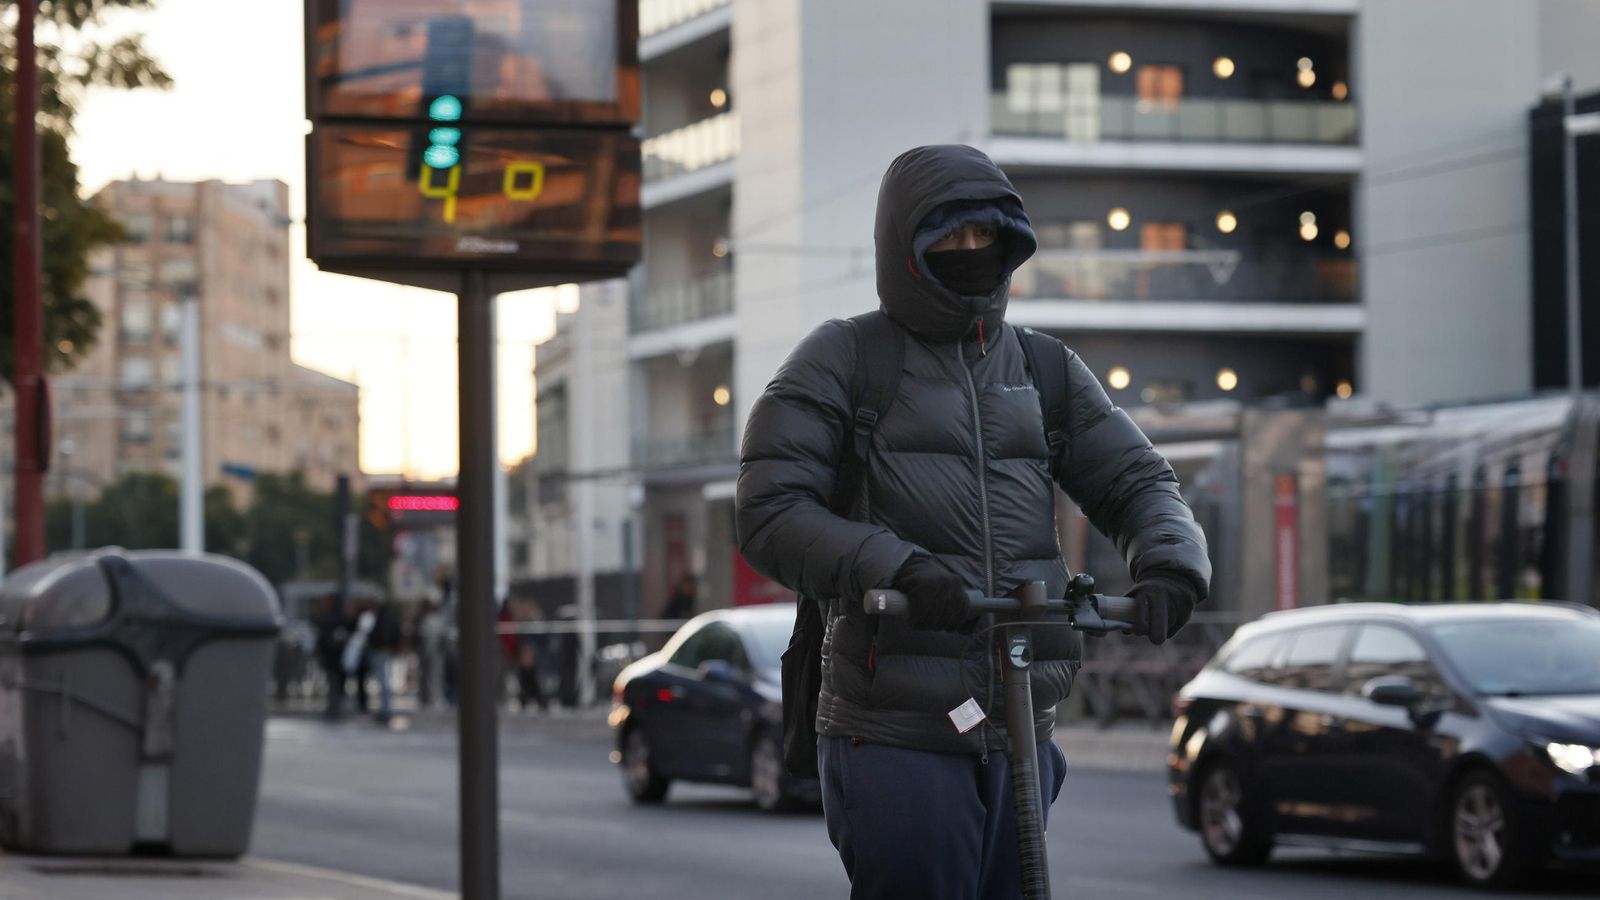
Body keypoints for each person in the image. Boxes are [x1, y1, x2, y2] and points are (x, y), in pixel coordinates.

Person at [735, 144, 1211, 900]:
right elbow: (769, 512)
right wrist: (896, 567)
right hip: (894, 733)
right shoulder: (846, 358)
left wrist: (1170, 562)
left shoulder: (1043, 369)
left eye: (983, 237)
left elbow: (1137, 478)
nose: (968, 254)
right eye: (946, 239)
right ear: (905, 248)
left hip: (1024, 721)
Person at [366, 598, 403, 724]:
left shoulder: (380, 618)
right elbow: (397, 633)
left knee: (383, 681)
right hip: (388, 651)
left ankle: (386, 709)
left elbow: (376, 635)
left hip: (380, 650)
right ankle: (386, 709)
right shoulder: (391, 617)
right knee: (386, 680)